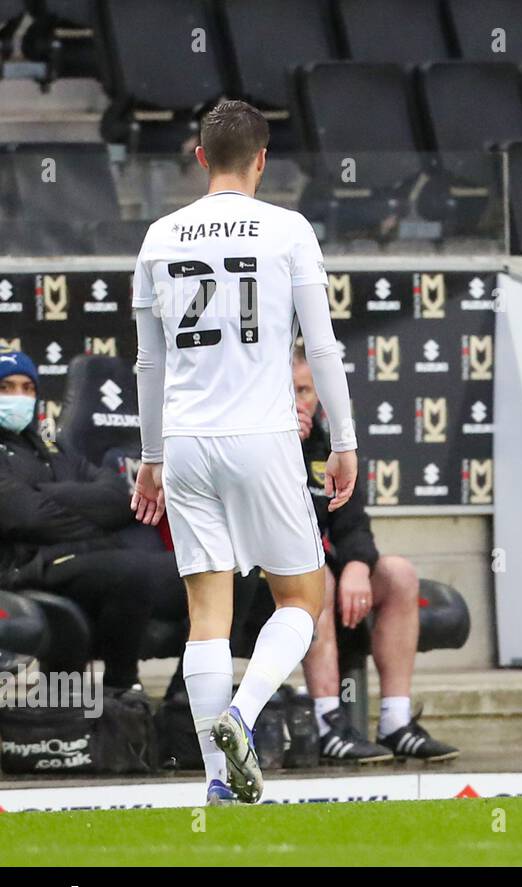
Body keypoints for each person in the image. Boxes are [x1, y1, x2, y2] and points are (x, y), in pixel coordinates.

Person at [130, 100, 359, 807]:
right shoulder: (288, 229)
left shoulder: (158, 237)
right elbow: (318, 346)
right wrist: (344, 440)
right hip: (262, 436)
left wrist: (150, 456)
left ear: (199, 158)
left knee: (208, 614)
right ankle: (244, 712)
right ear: (262, 159)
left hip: (188, 441)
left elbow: (148, 364)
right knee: (301, 596)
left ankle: (217, 781)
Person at [292, 346, 458, 762]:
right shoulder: (249, 444)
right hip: (257, 578)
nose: (299, 402)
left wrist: (358, 567)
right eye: (289, 390)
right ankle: (327, 721)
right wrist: (278, 447)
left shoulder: (328, 448)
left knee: (398, 574)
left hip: (318, 575)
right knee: (321, 577)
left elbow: (353, 523)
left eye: (306, 391)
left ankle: (394, 721)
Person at [0, 350, 189, 688]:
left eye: (27, 388)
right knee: (129, 569)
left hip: (82, 556)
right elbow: (27, 516)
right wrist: (87, 515)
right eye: (7, 387)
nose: (19, 396)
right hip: (27, 566)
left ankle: (185, 698)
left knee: (213, 572)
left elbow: (118, 496)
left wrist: (45, 492)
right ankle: (121, 689)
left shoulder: (51, 444)